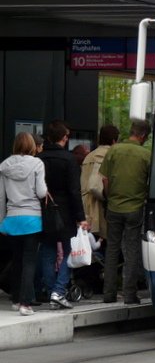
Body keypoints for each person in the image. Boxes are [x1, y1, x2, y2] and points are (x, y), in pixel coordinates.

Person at [100, 119, 151, 304]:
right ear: (144, 135)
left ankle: (108, 294)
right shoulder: (146, 155)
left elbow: (104, 179)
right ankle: (129, 294)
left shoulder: (114, 150)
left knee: (112, 250)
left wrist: (110, 197)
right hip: (135, 209)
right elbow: (151, 184)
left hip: (113, 207)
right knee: (131, 251)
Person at [37, 120, 87, 309]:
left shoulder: (39, 158)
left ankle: (52, 292)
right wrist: (80, 217)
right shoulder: (69, 159)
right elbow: (74, 190)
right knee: (67, 251)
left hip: (45, 209)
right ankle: (59, 291)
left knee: (48, 252)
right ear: (64, 138)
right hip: (65, 210)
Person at [0, 132, 48, 316]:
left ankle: (15, 299)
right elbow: (42, 192)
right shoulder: (37, 164)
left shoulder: (4, 166)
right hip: (32, 219)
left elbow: (1, 197)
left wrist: (1, 221)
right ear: (30, 145)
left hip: (12, 218)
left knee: (17, 260)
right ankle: (25, 304)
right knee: (29, 262)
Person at [81, 124, 119, 240]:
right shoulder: (113, 156)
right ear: (114, 140)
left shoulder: (89, 156)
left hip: (87, 205)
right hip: (104, 206)